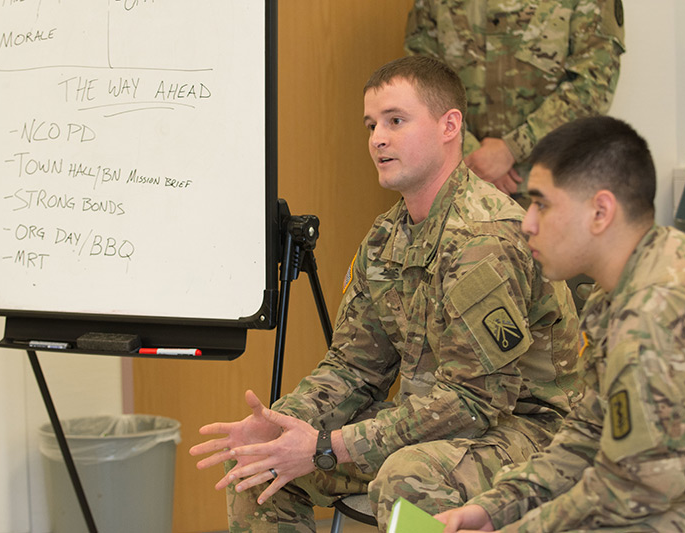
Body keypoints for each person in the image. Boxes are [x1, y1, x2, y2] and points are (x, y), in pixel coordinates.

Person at [189, 55, 580, 532]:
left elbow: (476, 402)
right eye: (372, 124)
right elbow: (353, 366)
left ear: (449, 126)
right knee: (257, 466)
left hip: (529, 430)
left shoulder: (484, 239)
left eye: (396, 121)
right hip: (432, 425)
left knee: (409, 479)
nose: (377, 138)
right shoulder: (386, 236)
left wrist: (329, 446)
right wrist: (287, 423)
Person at [436, 116, 685, 532]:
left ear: (601, 211)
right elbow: (587, 433)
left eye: (542, 204)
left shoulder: (652, 315)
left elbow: (632, 489)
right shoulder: (624, 282)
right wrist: (494, 509)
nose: (527, 222)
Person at [404, 0, 625, 198]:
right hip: (455, 183)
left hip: (553, 189)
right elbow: (422, 79)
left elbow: (594, 84)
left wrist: (512, 148)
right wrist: (469, 151)